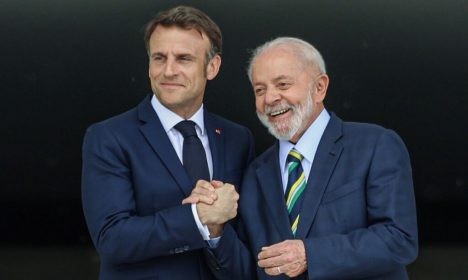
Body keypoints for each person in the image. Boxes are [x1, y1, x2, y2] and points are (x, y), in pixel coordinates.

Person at [188, 37, 418, 279]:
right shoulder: (256, 173)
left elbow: (399, 240)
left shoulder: (375, 145)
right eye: (260, 90)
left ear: (319, 87)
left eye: (283, 84)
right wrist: (216, 228)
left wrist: (310, 255)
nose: (270, 98)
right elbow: (247, 270)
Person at [81, 6, 254, 280]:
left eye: (184, 58)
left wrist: (216, 231)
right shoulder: (109, 137)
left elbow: (243, 241)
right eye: (159, 58)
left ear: (212, 66)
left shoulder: (237, 139)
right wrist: (198, 217)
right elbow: (112, 239)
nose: (168, 71)